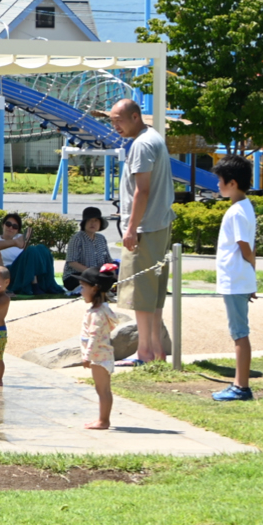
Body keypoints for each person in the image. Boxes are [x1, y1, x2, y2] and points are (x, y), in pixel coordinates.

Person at [109, 99, 174, 366]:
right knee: (154, 293)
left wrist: (132, 228)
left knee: (141, 293)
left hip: (146, 228)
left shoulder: (141, 145)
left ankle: (145, 353)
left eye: (119, 120)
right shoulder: (154, 138)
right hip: (159, 224)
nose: (115, 126)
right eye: (112, 121)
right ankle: (155, 350)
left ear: (135, 116)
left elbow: (142, 190)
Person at [211, 154, 258, 402]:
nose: (217, 185)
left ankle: (241, 387)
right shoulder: (243, 207)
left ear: (232, 183)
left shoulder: (237, 211)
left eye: (220, 180)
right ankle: (240, 386)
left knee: (239, 333)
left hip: (236, 279)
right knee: (239, 332)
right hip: (240, 279)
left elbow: (244, 246)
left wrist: (251, 266)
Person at [77, 263, 121, 429]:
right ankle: (103, 419)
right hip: (102, 355)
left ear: (94, 289)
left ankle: (103, 421)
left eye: (83, 287)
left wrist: (86, 357)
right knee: (102, 389)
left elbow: (94, 337)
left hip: (99, 357)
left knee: (102, 390)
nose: (81, 291)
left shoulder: (97, 314)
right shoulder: (102, 309)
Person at [63, 206, 112, 295]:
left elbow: (108, 260)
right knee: (94, 282)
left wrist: (112, 273)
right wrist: (91, 273)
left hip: (98, 275)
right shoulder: (77, 238)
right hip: (76, 276)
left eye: (96, 220)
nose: (93, 223)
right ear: (84, 223)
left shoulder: (101, 239)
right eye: (90, 220)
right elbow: (72, 262)